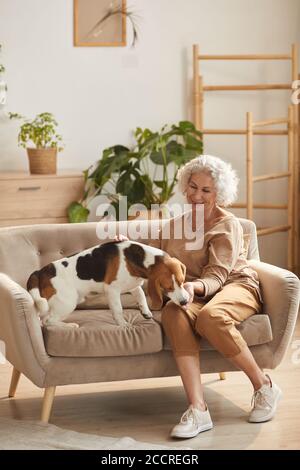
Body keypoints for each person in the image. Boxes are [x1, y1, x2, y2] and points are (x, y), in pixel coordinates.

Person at [116, 155, 282, 439]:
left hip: (235, 286)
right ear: (185, 186)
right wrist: (127, 247)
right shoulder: (173, 226)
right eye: (193, 187)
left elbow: (217, 275)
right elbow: (153, 256)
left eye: (206, 191)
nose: (196, 195)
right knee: (172, 312)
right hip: (194, 292)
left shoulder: (226, 225)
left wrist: (195, 288)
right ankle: (198, 409)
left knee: (211, 317)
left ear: (218, 194)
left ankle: (264, 385)